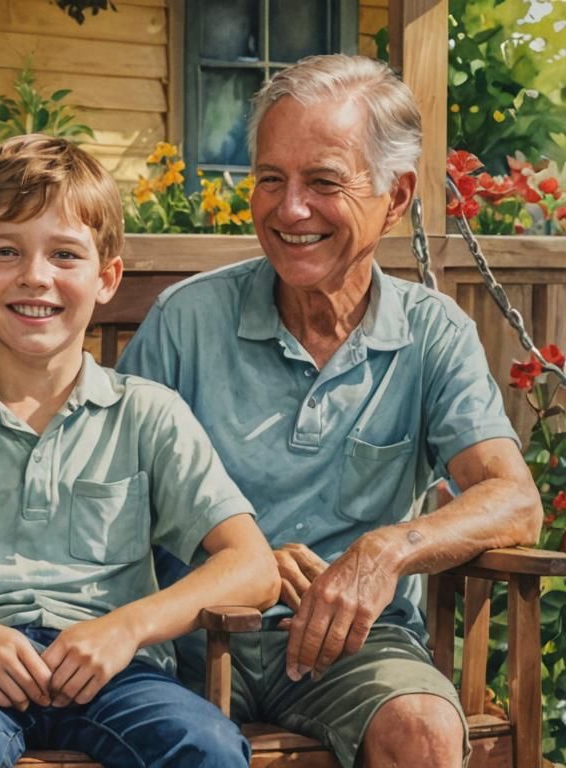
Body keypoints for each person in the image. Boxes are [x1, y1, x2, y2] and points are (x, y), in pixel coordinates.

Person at [118, 55, 541, 767]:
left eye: (322, 182)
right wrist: (234, 557)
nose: (290, 210)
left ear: (396, 195)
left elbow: (514, 500)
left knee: (426, 732)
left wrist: (383, 552)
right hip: (184, 639)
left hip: (352, 647)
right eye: (270, 180)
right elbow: (111, 491)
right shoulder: (186, 321)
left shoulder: (431, 331)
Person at [0, 135, 280, 768]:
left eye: (64, 254)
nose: (34, 276)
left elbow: (252, 567)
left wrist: (127, 628)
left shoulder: (145, 414)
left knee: (206, 745)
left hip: (111, 669)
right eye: (6, 252)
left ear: (107, 278)